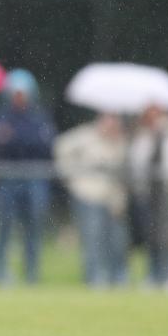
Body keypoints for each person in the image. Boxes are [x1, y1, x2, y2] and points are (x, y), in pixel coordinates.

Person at [0, 69, 56, 285]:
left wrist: (14, 138)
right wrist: (19, 140)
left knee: (33, 229)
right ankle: (0, 273)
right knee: (3, 229)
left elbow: (44, 145)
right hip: (7, 180)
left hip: (34, 179)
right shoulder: (1, 116)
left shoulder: (39, 115)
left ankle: (31, 275)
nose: (19, 98)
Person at [54, 114, 129, 287]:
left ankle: (118, 278)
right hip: (88, 196)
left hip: (112, 199)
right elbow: (61, 146)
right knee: (93, 239)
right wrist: (71, 176)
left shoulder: (120, 141)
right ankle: (94, 278)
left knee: (117, 240)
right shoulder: (85, 136)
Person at [129, 105, 168, 292]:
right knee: (151, 237)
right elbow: (137, 163)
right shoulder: (143, 137)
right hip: (149, 193)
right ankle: (153, 275)